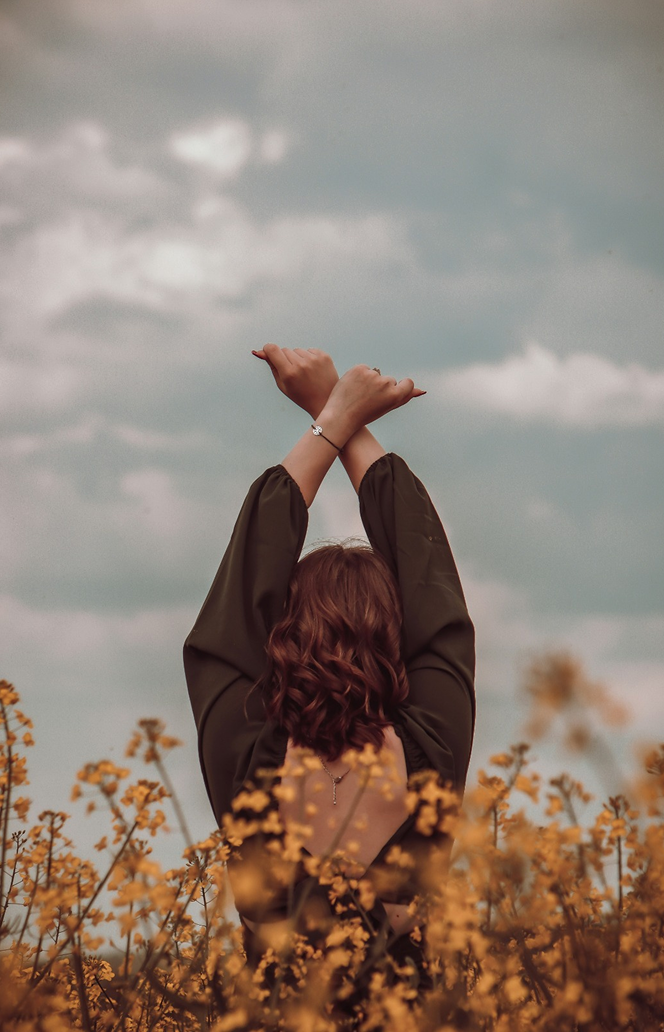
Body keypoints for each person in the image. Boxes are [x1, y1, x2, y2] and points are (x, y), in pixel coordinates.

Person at [183, 346, 476, 1005]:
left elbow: (236, 603)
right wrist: (342, 416)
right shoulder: (434, 745)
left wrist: (332, 417)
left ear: (282, 636)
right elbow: (431, 580)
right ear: (398, 637)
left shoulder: (242, 752)